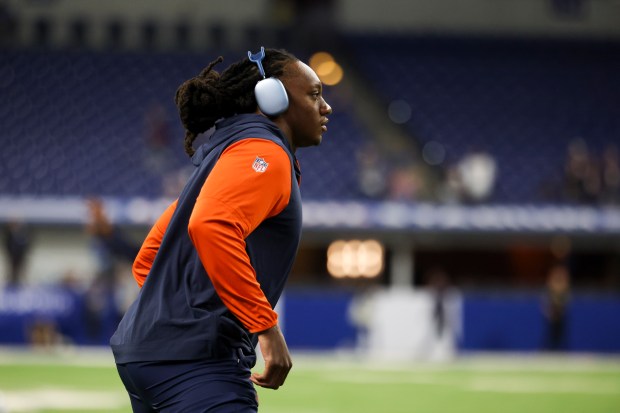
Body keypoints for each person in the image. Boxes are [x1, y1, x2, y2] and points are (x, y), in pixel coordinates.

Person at [110, 47, 332, 412]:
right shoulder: (265, 153)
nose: (326, 107)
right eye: (314, 93)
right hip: (193, 363)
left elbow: (148, 258)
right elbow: (211, 225)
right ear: (272, 97)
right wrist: (265, 328)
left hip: (148, 358)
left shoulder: (225, 152)